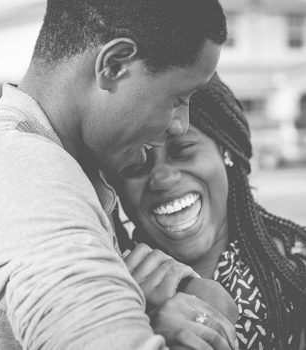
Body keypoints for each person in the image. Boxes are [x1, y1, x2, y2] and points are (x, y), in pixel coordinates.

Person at [0, 1, 236, 349]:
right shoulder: (26, 173)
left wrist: (194, 296)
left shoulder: (31, 161)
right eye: (178, 98)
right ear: (114, 65)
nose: (181, 125)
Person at [111, 74, 306, 350]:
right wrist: (139, 329)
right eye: (137, 162)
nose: (162, 178)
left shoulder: (296, 272)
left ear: (226, 151)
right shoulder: (110, 290)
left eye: (184, 150)